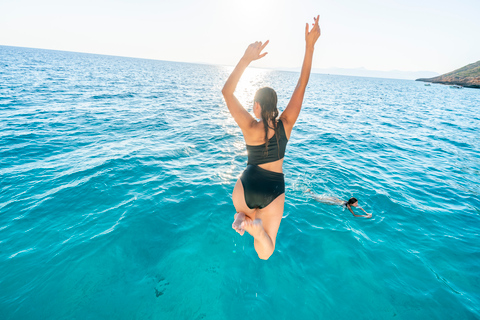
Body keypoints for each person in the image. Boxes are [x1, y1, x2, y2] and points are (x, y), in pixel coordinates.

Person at [222, 16, 321, 260]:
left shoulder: (249, 126)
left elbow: (226, 91)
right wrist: (310, 46)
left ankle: (241, 215)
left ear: (256, 106)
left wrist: (246, 58)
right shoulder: (285, 124)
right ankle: (256, 230)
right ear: (275, 107)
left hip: (246, 184)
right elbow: (302, 83)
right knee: (265, 251)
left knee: (242, 210)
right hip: (273, 188)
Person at [306, 189, 372, 218]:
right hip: (334, 201)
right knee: (316, 199)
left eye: (357, 203)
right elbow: (354, 215)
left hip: (335, 199)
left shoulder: (349, 203)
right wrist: (365, 216)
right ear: (352, 203)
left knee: (320, 197)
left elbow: (360, 207)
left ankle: (310, 191)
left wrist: (366, 212)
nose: (357, 204)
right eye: (356, 203)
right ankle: (310, 191)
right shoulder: (348, 206)